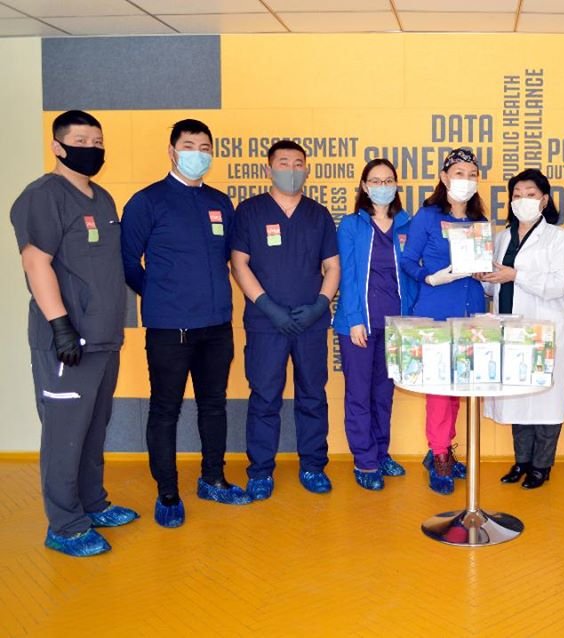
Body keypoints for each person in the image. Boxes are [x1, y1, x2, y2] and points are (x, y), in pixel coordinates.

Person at [10, 110, 139, 557]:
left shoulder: (102, 198)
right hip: (68, 342)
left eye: (97, 142)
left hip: (104, 338)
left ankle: (93, 503)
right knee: (64, 433)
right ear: (58, 146)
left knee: (93, 427)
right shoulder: (43, 196)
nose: (92, 149)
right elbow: (35, 261)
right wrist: (60, 325)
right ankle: (65, 526)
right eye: (81, 141)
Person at [121, 118, 251, 528]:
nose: (198, 154)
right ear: (172, 151)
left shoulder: (220, 202)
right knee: (165, 409)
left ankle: (212, 479)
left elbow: (230, 258)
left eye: (205, 147)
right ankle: (168, 493)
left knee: (214, 405)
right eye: (189, 146)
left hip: (216, 327)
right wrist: (160, 295)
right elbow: (128, 263)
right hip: (169, 329)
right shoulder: (147, 201)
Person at [231, 140, 341, 500]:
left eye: (298, 164)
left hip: (310, 323)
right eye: (283, 163)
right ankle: (261, 471)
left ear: (306, 170)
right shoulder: (249, 211)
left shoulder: (318, 214)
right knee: (264, 397)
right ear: (268, 169)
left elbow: (333, 266)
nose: (291, 170)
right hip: (266, 323)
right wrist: (268, 307)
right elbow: (239, 264)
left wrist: (319, 305)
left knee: (313, 395)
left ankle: (313, 466)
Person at [398, 147, 488, 495]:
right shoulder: (427, 216)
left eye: (472, 174)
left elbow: (483, 268)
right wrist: (430, 277)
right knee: (438, 390)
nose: (466, 180)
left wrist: (484, 273)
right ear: (444, 177)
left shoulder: (479, 221)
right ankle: (439, 456)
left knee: (459, 389)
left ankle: (443, 448)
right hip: (436, 312)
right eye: (459, 173)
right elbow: (407, 261)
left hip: (471, 312)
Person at [482, 169, 564, 489]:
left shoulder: (558, 237)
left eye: (531, 194)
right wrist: (486, 278)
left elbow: (560, 283)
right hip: (508, 328)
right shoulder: (502, 237)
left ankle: (541, 465)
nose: (523, 200)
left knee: (545, 400)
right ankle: (521, 461)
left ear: (544, 199)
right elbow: (496, 288)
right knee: (517, 396)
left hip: (544, 328)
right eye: (517, 195)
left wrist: (516, 275)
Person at [333, 158, 414, 491]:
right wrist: (354, 320)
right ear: (365, 187)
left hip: (395, 324)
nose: (383, 186)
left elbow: (413, 274)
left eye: (388, 180)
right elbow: (347, 276)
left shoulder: (407, 224)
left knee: (383, 394)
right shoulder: (352, 225)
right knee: (359, 394)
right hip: (359, 325)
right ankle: (364, 460)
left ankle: (381, 453)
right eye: (376, 181)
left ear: (396, 185)